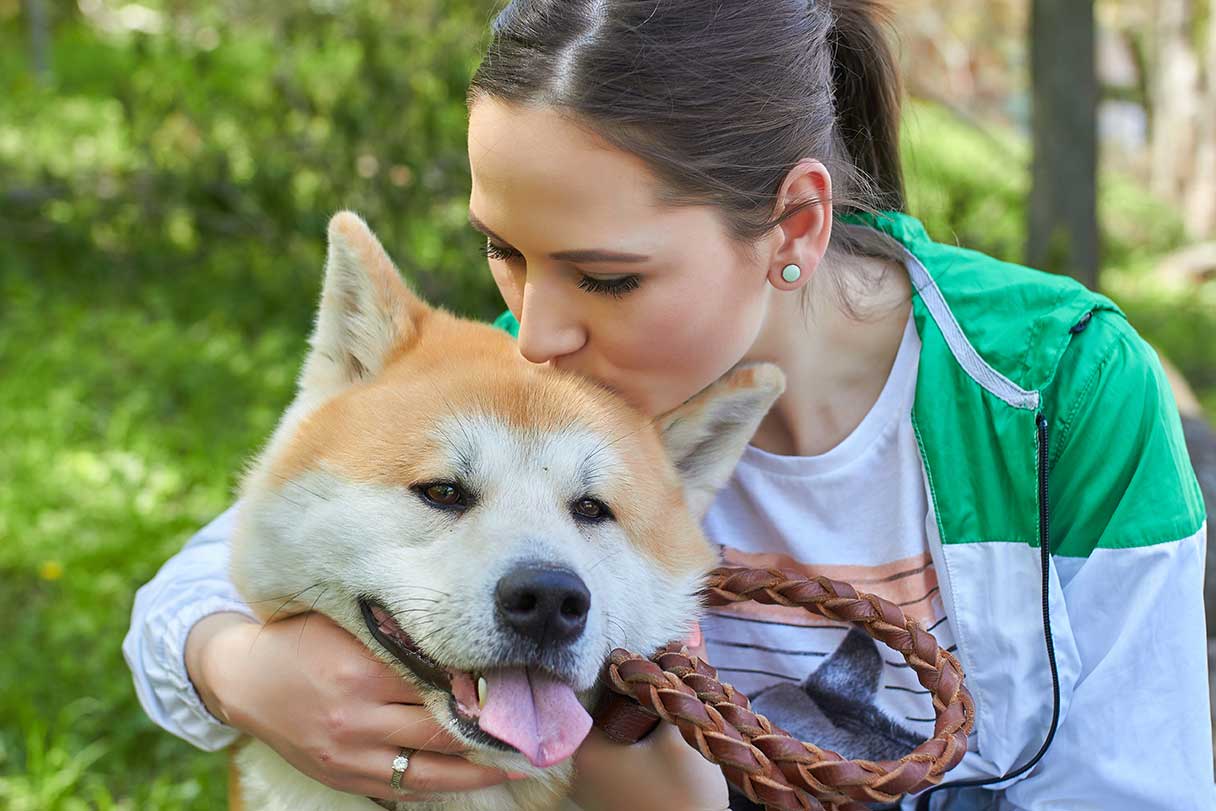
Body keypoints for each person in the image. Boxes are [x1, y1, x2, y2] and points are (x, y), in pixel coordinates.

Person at [123, 1, 1213, 809]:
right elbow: (202, 580)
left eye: (605, 277)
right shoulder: (539, 392)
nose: (537, 330)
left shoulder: (1054, 386)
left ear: (791, 228)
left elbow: (1138, 783)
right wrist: (241, 669)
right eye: (504, 252)